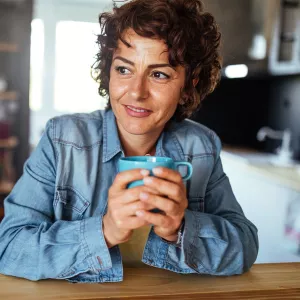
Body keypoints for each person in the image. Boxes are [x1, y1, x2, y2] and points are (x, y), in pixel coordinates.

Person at [0, 0, 258, 283]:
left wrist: (181, 229)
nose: (136, 92)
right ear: (108, 71)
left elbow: (244, 247)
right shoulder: (62, 140)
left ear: (188, 85)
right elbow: (9, 247)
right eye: (124, 69)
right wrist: (105, 230)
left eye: (159, 74)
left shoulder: (201, 148)